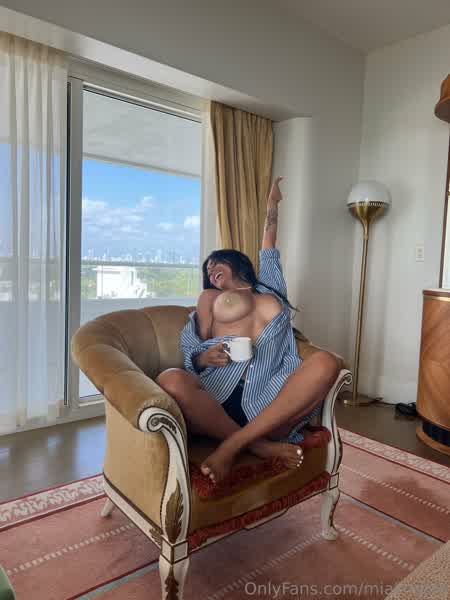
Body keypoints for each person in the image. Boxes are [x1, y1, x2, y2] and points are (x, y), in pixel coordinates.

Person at [155, 177, 341, 483]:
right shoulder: (210, 298)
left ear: (235, 263)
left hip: (270, 400)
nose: (210, 271)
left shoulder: (270, 289)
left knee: (327, 362)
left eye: (216, 264)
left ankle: (234, 445)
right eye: (207, 271)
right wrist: (202, 358)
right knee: (169, 378)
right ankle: (260, 447)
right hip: (215, 401)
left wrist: (272, 204)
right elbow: (192, 343)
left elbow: (269, 244)